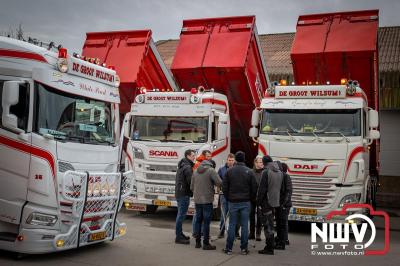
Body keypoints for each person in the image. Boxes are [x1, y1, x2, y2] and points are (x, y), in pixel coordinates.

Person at [222, 151, 257, 255]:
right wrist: (249, 198)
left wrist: (229, 198)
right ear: (244, 159)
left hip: (233, 202)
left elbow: (224, 187)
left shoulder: (229, 171)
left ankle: (229, 248)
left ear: (236, 159)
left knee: (232, 224)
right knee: (245, 225)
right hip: (245, 202)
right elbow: (254, 188)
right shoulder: (249, 171)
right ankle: (244, 249)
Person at [191, 160, 222, 250]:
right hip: (207, 200)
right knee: (206, 222)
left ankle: (197, 243)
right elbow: (219, 182)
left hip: (197, 200)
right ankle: (206, 243)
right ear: (211, 165)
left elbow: (191, 187)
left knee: (198, 220)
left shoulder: (195, 171)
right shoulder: (211, 170)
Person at [257, 155, 284, 255]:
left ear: (264, 163)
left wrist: (258, 202)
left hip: (266, 202)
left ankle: (269, 247)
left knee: (267, 225)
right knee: (271, 224)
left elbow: (262, 189)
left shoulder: (266, 172)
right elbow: (280, 188)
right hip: (275, 202)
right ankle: (270, 246)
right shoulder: (280, 172)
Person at [175, 149, 196, 244]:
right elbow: (191, 182)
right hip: (184, 194)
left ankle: (180, 234)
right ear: (188, 156)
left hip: (180, 193)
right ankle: (178, 237)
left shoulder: (182, 165)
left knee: (180, 215)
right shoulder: (187, 167)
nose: (194, 157)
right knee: (181, 216)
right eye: (192, 155)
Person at [217, 153, 235, 238]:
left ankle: (232, 233)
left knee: (233, 214)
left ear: (234, 161)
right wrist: (219, 188)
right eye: (229, 160)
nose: (230, 162)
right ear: (227, 160)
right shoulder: (221, 169)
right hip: (223, 195)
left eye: (232, 160)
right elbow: (217, 180)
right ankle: (221, 231)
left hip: (233, 195)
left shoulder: (236, 169)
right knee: (223, 214)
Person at [276, 162, 292, 246]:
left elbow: (288, 191)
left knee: (283, 222)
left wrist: (283, 204)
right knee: (281, 222)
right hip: (282, 204)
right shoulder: (282, 176)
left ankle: (285, 239)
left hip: (285, 205)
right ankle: (282, 238)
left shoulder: (286, 177)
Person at [250, 156, 263, 241]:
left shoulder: (264, 172)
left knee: (260, 216)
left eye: (262, 162)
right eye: (260, 162)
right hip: (251, 197)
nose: (261, 164)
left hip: (260, 198)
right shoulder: (251, 172)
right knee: (251, 216)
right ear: (255, 163)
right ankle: (251, 233)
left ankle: (258, 234)